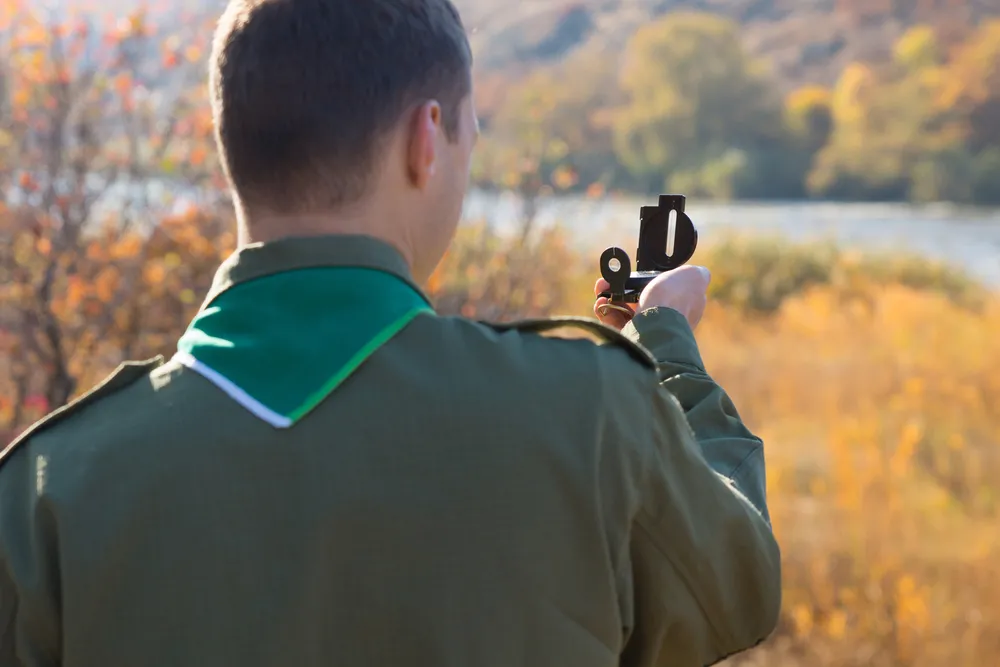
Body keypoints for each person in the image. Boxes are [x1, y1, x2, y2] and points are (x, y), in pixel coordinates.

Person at [0, 0, 781, 664]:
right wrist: (667, 346)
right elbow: (735, 586)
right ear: (426, 139)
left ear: (233, 144)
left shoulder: (48, 488)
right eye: (473, 132)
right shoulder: (591, 414)